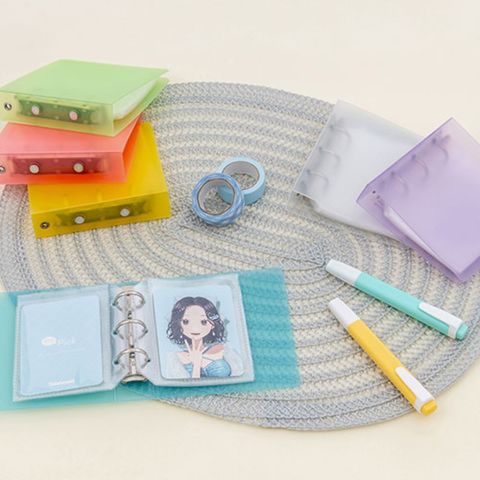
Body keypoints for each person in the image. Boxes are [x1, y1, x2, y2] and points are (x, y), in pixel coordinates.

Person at [165, 296, 243, 379]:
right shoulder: (175, 358)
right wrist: (196, 364)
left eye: (203, 322)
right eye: (186, 321)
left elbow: (240, 374)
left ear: (212, 324)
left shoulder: (226, 351)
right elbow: (190, 386)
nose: (195, 328)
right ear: (178, 324)